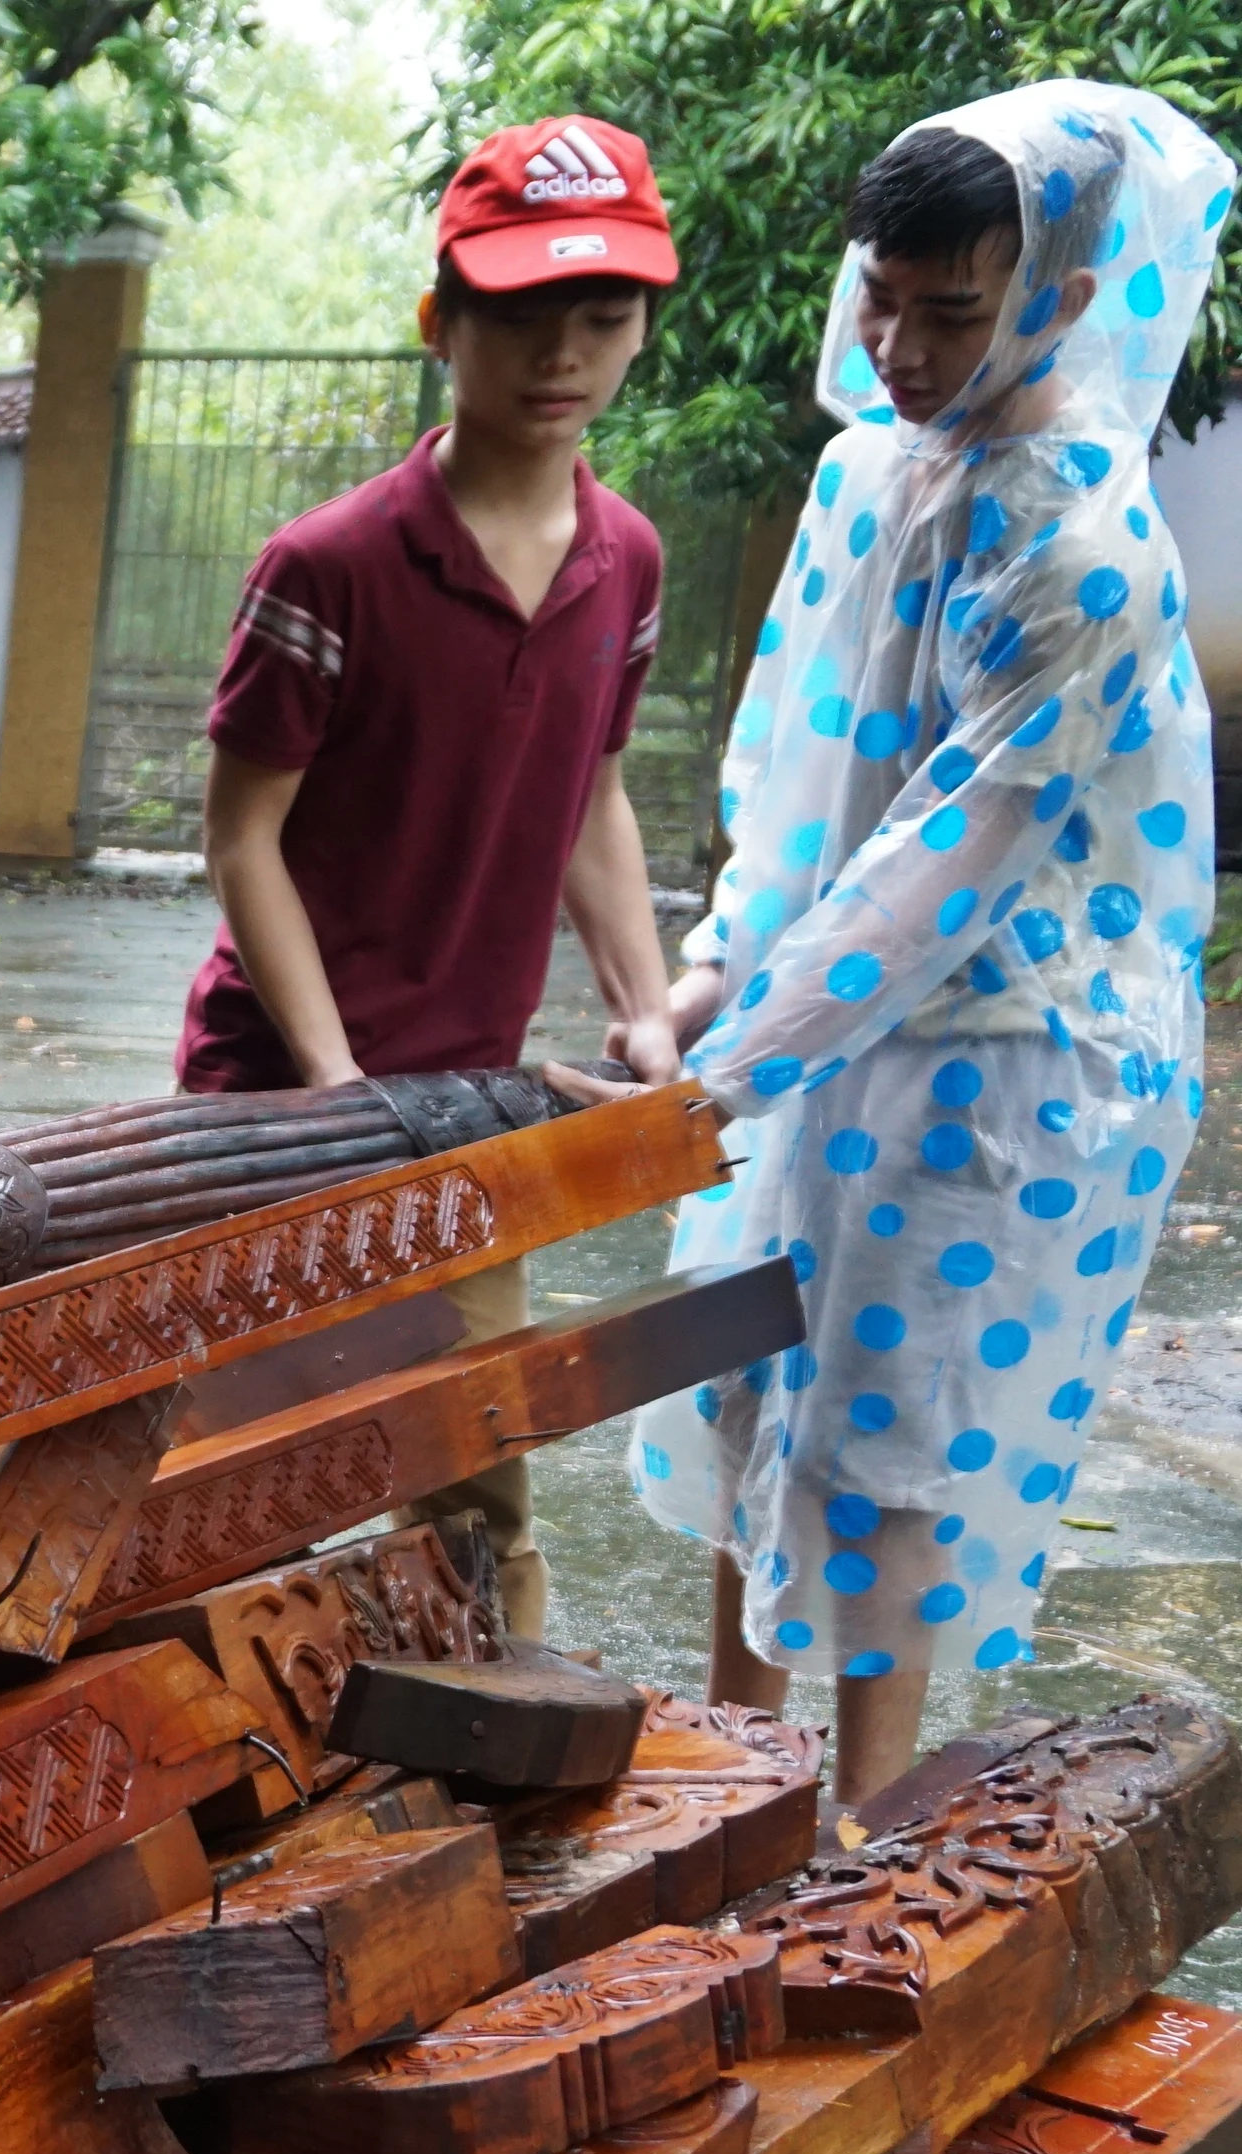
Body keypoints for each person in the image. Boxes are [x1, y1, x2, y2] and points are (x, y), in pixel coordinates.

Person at [635, 86, 1228, 1804]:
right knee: (748, 1376)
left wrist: (734, 1057)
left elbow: (944, 856)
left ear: (1056, 289)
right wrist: (708, 970)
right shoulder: (863, 468)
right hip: (821, 1016)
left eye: (949, 311)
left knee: (890, 1431)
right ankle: (727, 1782)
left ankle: (866, 1835)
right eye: (879, 295)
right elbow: (795, 766)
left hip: (999, 1053)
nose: (895, 343)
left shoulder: (1086, 544)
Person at [183, 113, 690, 1645]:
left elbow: (592, 794)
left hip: (474, 1117)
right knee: (231, 1463)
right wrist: (339, 1089)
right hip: (280, 1099)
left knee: (472, 1463)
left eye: (603, 317)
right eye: (523, 316)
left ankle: (492, 1748)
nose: (565, 354)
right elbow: (241, 838)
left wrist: (646, 1009)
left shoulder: (630, 562)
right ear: (440, 324)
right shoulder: (327, 567)